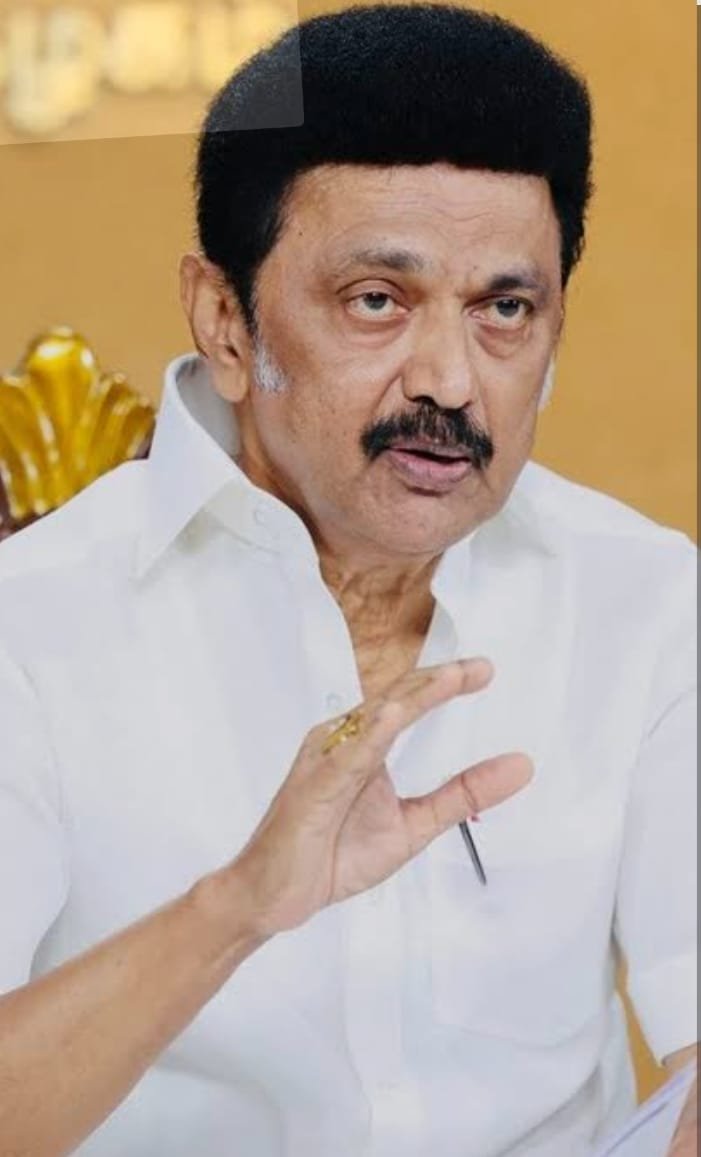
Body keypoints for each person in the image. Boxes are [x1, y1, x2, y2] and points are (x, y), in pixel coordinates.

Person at [0, 5, 696, 1156]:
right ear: (226, 322)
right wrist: (235, 907)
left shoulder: (645, 598)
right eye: (377, 300)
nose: (449, 382)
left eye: (504, 310)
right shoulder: (29, 626)